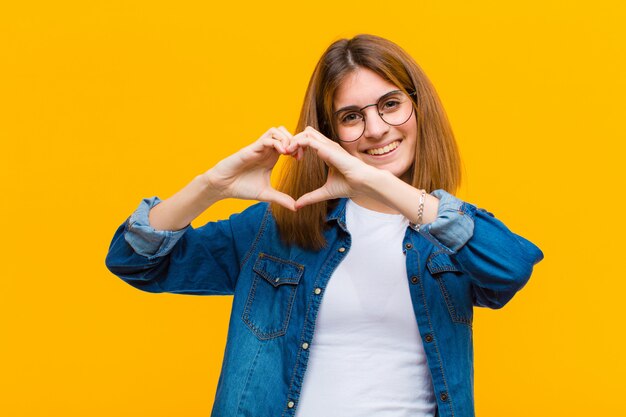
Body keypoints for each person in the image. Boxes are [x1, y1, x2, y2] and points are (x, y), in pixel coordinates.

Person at [105, 34, 543, 417]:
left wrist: (376, 181)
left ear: (418, 108)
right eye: (352, 116)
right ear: (329, 131)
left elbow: (511, 267)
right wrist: (210, 185)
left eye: (391, 105)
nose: (375, 129)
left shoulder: (449, 233)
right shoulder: (278, 229)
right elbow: (136, 262)